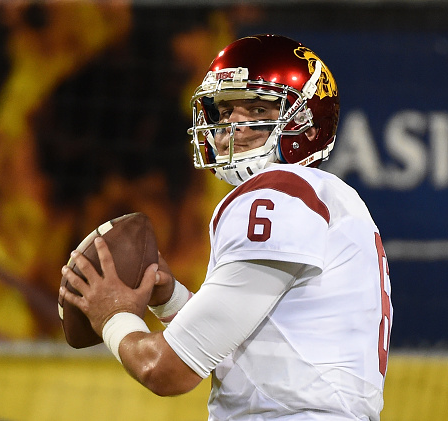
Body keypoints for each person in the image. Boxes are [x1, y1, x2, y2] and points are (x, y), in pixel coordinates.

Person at [60, 34, 393, 420]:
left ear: (306, 122)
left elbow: (166, 371)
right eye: (223, 109)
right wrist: (169, 299)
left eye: (255, 108)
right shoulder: (331, 200)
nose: (231, 123)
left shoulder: (278, 193)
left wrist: (113, 316)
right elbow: (245, 357)